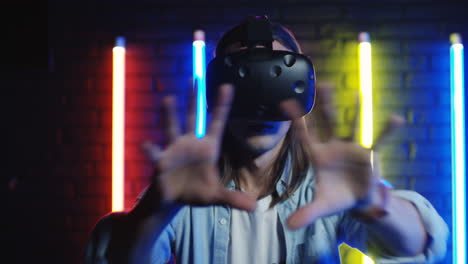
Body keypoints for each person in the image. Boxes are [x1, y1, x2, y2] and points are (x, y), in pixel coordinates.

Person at [85, 17, 449, 264]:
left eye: (275, 82)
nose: (260, 108)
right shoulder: (184, 190)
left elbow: (422, 247)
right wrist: (157, 209)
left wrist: (375, 204)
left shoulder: (326, 187)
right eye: (244, 85)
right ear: (217, 95)